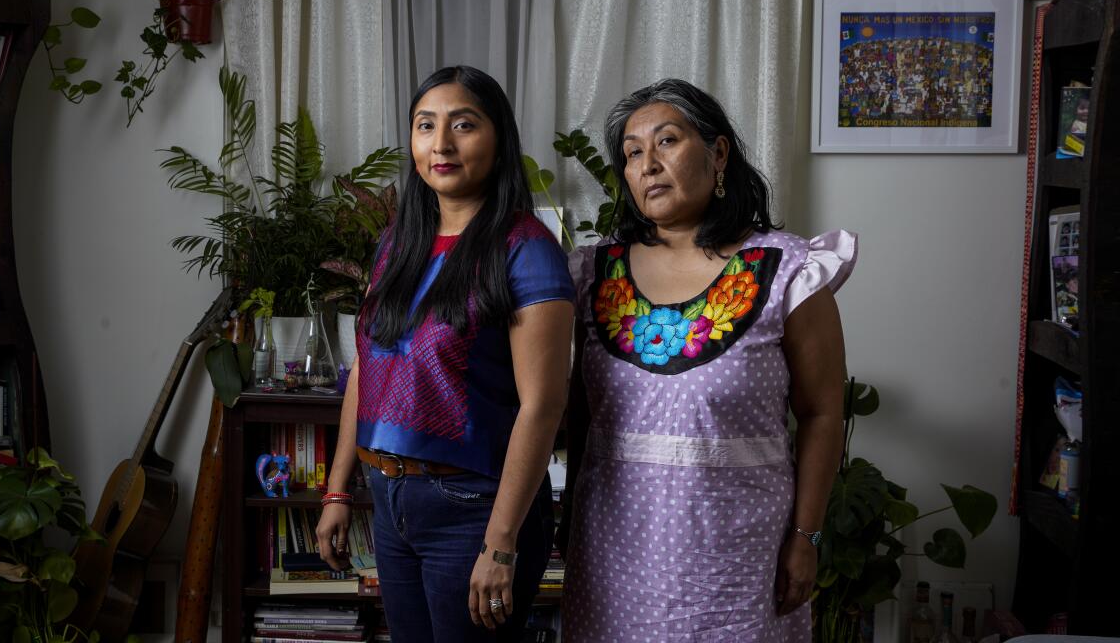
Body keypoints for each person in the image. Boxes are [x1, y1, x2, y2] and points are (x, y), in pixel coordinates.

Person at [560, 78, 856, 641]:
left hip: (742, 556)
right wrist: (571, 508)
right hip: (613, 550)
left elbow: (822, 412)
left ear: (718, 154)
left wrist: (806, 536)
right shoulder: (594, 274)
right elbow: (580, 411)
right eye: (631, 153)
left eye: (667, 141)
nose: (648, 164)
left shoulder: (788, 269)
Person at [315, 65, 575, 642]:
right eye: (425, 126)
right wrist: (339, 488)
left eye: (463, 125)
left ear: (499, 138)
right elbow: (368, 370)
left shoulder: (527, 249)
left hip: (474, 508)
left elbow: (543, 405)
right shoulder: (395, 244)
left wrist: (501, 542)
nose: (441, 144)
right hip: (389, 498)